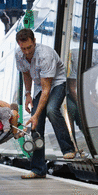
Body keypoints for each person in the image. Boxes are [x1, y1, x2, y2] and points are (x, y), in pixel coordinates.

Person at [15, 28, 76, 179]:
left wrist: (35, 114)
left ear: (34, 42)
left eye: (29, 48)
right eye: (23, 48)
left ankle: (68, 148)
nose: (27, 52)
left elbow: (47, 90)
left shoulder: (45, 55)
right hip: (37, 88)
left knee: (51, 110)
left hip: (56, 84)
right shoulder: (19, 54)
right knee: (37, 127)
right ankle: (38, 169)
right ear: (19, 45)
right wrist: (28, 94)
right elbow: (26, 73)